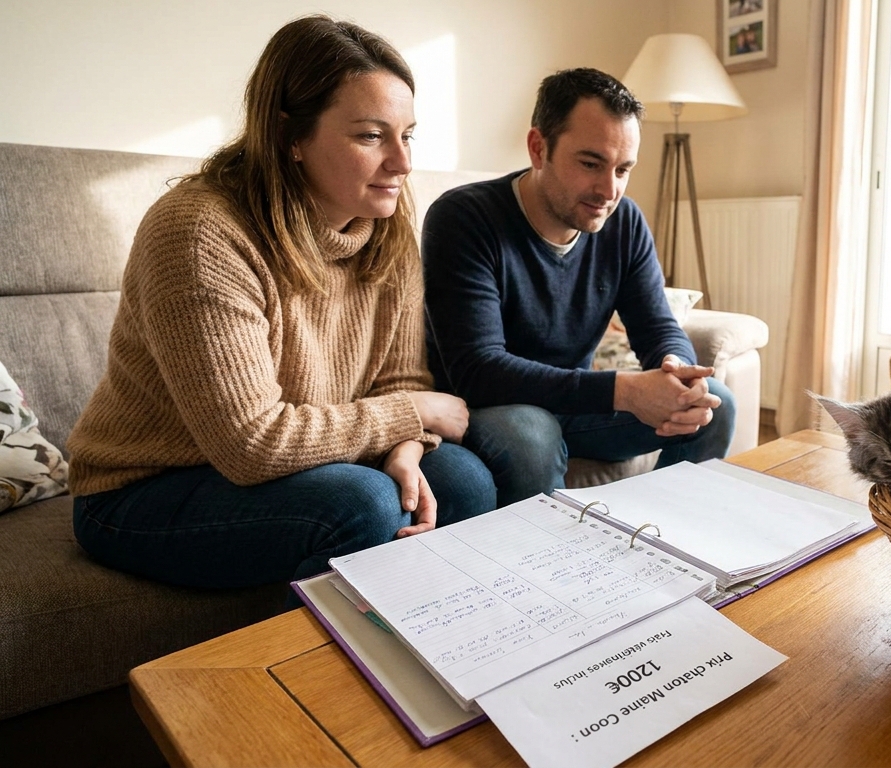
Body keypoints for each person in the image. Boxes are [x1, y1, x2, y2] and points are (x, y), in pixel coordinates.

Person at [67, 16, 497, 593]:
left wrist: (406, 448)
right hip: (144, 486)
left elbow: (399, 378)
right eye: (371, 136)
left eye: (408, 134)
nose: (402, 162)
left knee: (464, 480)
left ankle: (424, 654)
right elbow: (251, 444)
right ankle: (310, 676)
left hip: (304, 458)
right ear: (290, 136)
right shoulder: (199, 231)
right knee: (361, 504)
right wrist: (411, 415)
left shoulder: (386, 224)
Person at [422, 68, 736, 507]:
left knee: (715, 404)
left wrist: (677, 373)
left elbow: (656, 325)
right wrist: (623, 391)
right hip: (490, 405)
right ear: (539, 148)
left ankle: (662, 548)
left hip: (573, 403)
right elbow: (479, 370)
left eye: (623, 169)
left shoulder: (624, 222)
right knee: (532, 433)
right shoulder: (464, 218)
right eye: (590, 163)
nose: (609, 190)